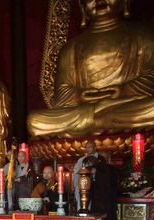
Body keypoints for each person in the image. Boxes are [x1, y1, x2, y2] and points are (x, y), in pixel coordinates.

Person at [27, 0, 154, 138]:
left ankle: (98, 123)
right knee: (34, 120)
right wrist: (80, 96)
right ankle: (104, 123)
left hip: (124, 106)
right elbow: (63, 92)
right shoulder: (71, 47)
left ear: (125, 2)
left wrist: (124, 90)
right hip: (85, 111)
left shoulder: (143, 36)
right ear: (82, 7)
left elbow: (151, 77)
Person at [73, 140, 101, 208]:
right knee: (82, 203)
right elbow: (76, 173)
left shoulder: (100, 159)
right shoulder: (81, 160)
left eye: (90, 147)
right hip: (83, 185)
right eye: (86, 147)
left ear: (95, 148)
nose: (87, 149)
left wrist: (97, 172)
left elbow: (105, 173)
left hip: (96, 186)